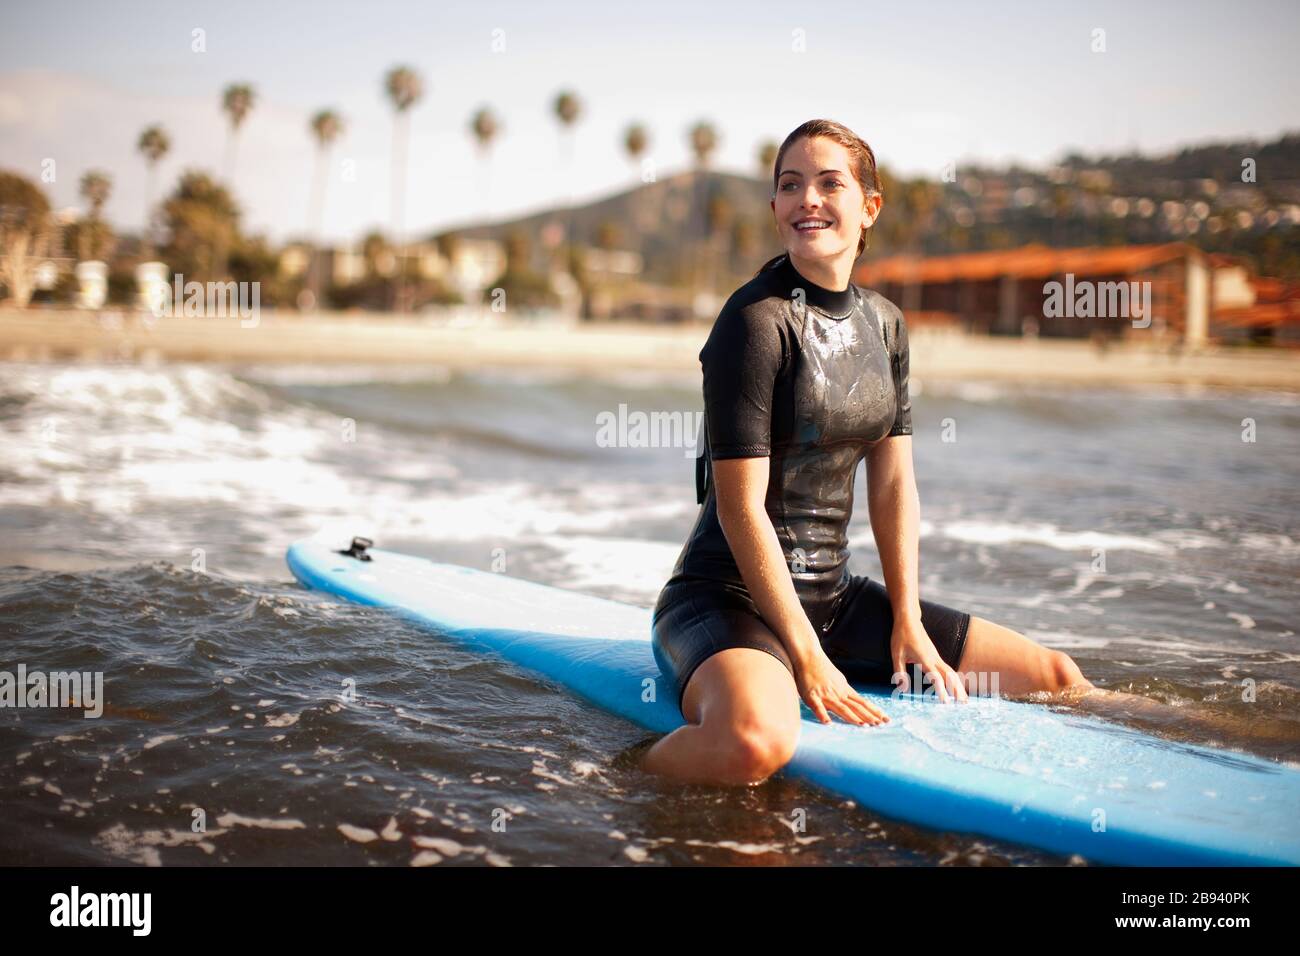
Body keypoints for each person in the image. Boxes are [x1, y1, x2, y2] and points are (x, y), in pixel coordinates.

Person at [638, 119, 1101, 787]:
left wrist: (906, 620)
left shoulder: (885, 324)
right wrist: (805, 655)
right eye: (790, 186)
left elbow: (893, 486)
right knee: (752, 743)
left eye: (830, 183)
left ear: (869, 207)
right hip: (727, 600)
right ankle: (620, 784)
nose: (808, 200)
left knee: (1055, 677)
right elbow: (740, 509)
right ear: (775, 210)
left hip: (834, 600)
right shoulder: (755, 323)